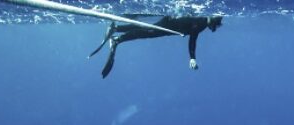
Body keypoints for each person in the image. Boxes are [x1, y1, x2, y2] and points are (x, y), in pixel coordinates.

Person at [89, 15, 223, 78]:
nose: (213, 29)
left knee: (147, 30)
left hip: (170, 24)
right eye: (215, 26)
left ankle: (117, 29)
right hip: (169, 24)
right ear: (214, 22)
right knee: (147, 31)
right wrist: (192, 58)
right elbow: (193, 39)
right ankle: (117, 37)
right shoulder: (201, 23)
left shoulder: (202, 22)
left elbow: (192, 36)